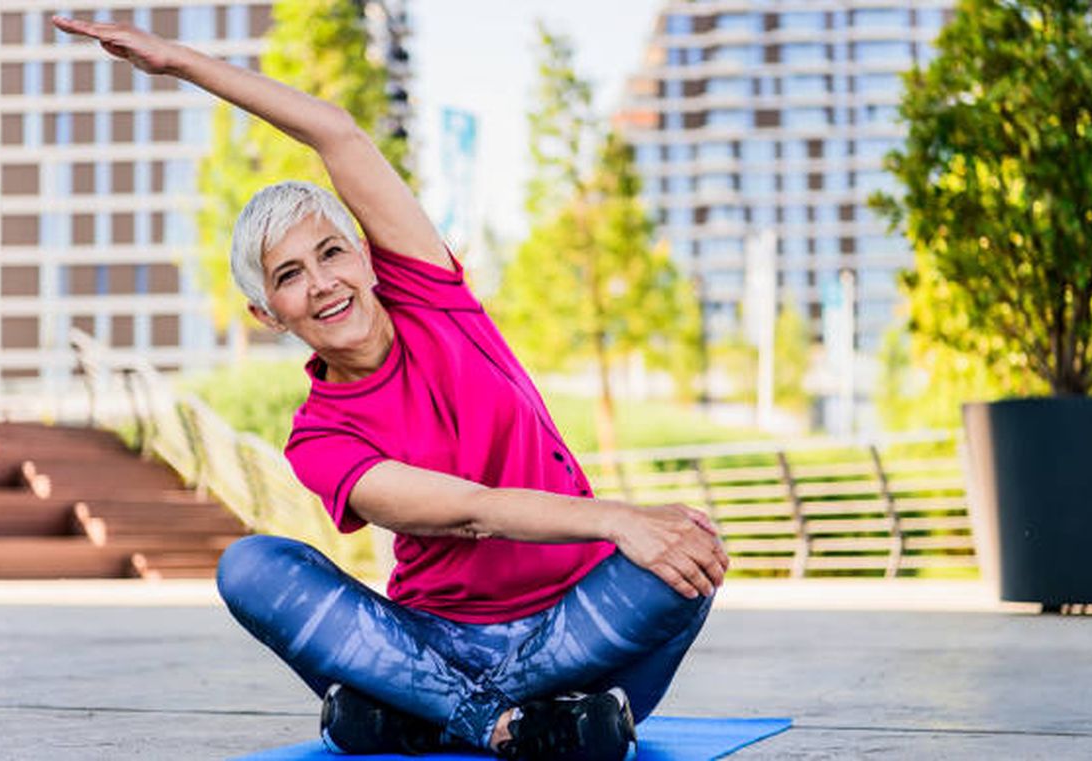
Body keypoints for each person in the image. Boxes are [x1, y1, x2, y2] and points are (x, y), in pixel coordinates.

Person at [53, 15, 729, 761]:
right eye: (289, 276)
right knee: (250, 567)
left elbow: (335, 132)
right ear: (268, 314)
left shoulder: (432, 294)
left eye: (331, 253)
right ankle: (514, 724)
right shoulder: (318, 439)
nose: (322, 283)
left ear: (368, 258)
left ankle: (431, 717)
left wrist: (181, 62)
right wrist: (615, 517)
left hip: (574, 629)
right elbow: (472, 512)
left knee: (688, 548)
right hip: (425, 640)